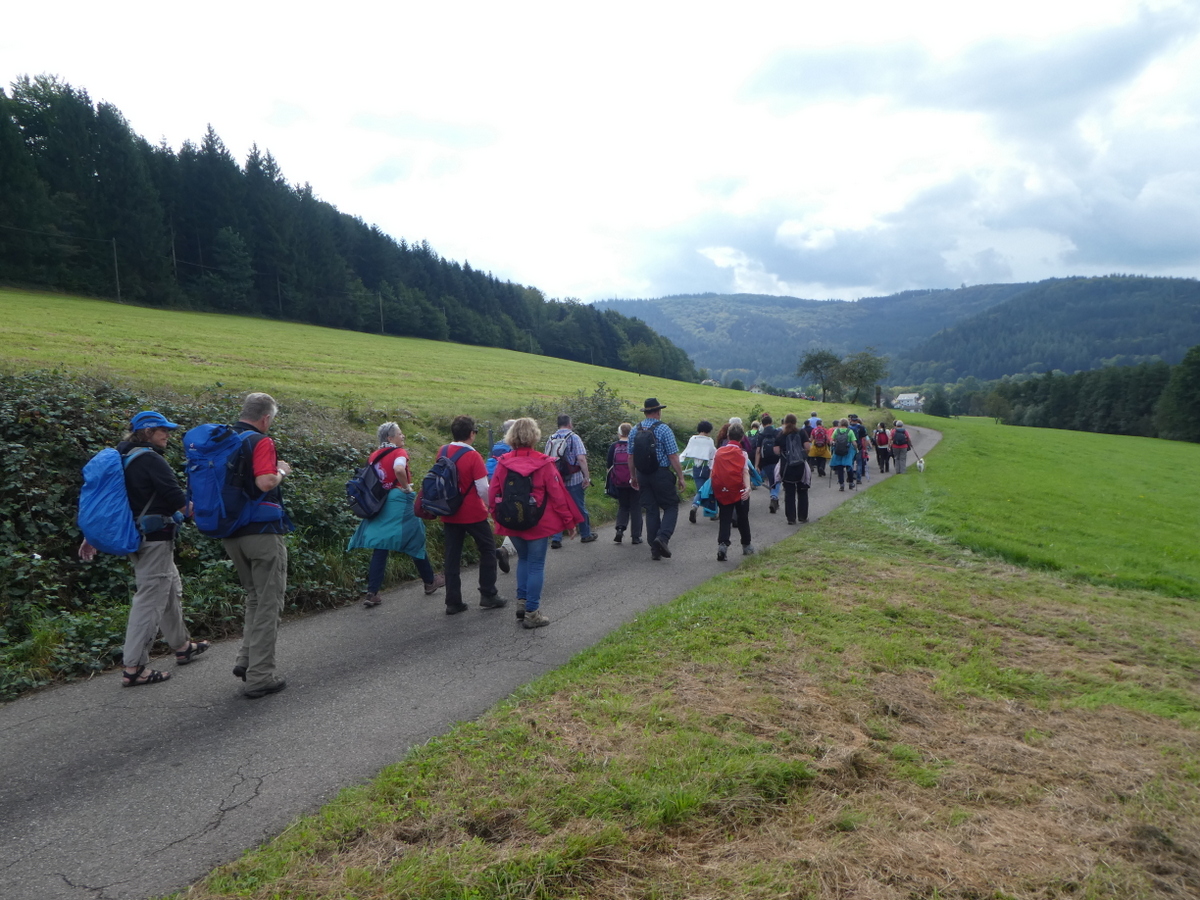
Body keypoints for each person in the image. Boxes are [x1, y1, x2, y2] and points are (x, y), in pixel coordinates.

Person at [78, 411, 207, 687]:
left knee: (169, 587)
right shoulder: (150, 459)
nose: (168, 435)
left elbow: (109, 502)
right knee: (150, 599)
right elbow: (176, 498)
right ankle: (134, 666)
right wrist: (206, 514)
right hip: (155, 539)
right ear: (148, 432)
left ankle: (182, 645)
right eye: (163, 430)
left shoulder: (122, 458)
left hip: (136, 536)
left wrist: (92, 535)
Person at [223, 392, 294, 699]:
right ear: (266, 418)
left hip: (230, 532)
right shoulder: (260, 441)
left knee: (254, 596)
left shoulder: (225, 440)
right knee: (269, 602)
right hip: (261, 532)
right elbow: (265, 482)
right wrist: (281, 471)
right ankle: (260, 675)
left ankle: (246, 660)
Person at [489, 418, 584, 628]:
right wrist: (570, 522)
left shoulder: (502, 463)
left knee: (523, 560)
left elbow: (493, 493)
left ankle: (521, 605)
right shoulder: (544, 463)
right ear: (534, 437)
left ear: (511, 437)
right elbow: (558, 496)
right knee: (536, 565)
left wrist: (498, 517)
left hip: (512, 521)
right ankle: (532, 613)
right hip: (539, 523)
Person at [348, 422, 445, 608]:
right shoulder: (399, 453)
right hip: (399, 500)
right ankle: (430, 581)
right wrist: (407, 488)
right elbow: (399, 470)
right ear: (389, 438)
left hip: (381, 501)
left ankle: (372, 592)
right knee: (415, 537)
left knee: (381, 544)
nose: (403, 437)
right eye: (400, 434)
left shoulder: (374, 455)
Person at [438, 415, 506, 614]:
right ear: (471, 434)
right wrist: (491, 507)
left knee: (451, 556)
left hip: (449, 511)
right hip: (473, 512)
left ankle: (453, 601)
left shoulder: (442, 451)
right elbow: (483, 488)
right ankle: (488, 594)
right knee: (487, 550)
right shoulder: (473, 455)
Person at [629, 398, 686, 561]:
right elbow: (673, 456)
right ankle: (663, 538)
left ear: (646, 412)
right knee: (671, 506)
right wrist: (681, 477)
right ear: (658, 411)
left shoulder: (635, 429)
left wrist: (633, 476)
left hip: (642, 475)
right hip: (661, 473)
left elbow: (630, 456)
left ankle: (655, 550)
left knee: (651, 509)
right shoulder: (664, 429)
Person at [544, 414, 596, 548]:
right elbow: (581, 459)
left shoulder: (551, 438)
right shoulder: (574, 437)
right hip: (574, 478)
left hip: (556, 479)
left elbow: (546, 459)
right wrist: (586, 477)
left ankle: (556, 538)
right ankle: (585, 534)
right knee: (579, 507)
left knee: (558, 507)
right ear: (569, 424)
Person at [711, 422, 753, 561]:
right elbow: (745, 472)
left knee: (725, 518)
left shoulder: (719, 452)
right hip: (739, 490)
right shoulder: (742, 453)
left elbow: (713, 472)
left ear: (728, 436)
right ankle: (746, 545)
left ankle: (723, 545)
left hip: (722, 490)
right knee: (743, 519)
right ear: (742, 437)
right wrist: (748, 488)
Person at [606, 423, 642, 544]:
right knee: (636, 507)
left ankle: (620, 529)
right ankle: (636, 537)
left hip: (619, 481)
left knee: (623, 506)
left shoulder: (614, 446)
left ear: (619, 433)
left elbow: (609, 466)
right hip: (635, 480)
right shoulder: (635, 445)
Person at [775, 413, 811, 524]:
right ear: (795, 422)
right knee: (802, 491)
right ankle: (802, 517)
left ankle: (791, 519)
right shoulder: (801, 432)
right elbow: (807, 447)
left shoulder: (781, 434)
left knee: (789, 493)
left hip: (786, 466)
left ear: (784, 422)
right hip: (800, 466)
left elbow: (776, 451)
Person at [681, 420, 715, 524]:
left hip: (696, 468)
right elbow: (713, 455)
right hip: (706, 468)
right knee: (709, 490)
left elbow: (687, 451)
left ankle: (695, 506)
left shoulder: (693, 438)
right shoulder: (709, 440)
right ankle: (710, 512)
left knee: (700, 490)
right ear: (709, 430)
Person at [754, 413, 781, 514]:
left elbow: (757, 451)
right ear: (771, 423)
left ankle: (774, 497)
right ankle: (774, 497)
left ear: (762, 424)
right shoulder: (777, 433)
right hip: (777, 460)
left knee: (770, 479)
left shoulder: (761, 435)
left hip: (766, 461)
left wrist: (757, 465)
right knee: (777, 479)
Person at [829, 418, 858, 491]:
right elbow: (854, 442)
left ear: (840, 424)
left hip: (838, 452)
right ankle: (851, 483)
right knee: (849, 467)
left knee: (840, 469)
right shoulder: (850, 431)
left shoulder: (836, 431)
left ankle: (841, 485)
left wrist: (833, 445)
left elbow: (831, 440)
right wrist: (856, 449)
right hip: (847, 452)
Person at [848, 414, 870, 483]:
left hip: (850, 446)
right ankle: (858, 479)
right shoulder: (861, 427)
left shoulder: (848, 428)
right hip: (859, 446)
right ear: (857, 420)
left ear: (850, 420)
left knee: (850, 462)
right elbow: (864, 438)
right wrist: (865, 448)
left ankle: (850, 477)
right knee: (859, 463)